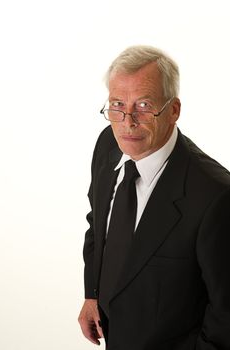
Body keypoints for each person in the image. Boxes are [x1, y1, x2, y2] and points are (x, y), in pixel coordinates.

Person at [78, 45, 230, 350]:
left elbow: (226, 316)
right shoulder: (108, 144)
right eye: (117, 104)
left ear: (173, 110)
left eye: (144, 105)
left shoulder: (216, 196)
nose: (127, 121)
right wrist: (93, 293)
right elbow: (99, 224)